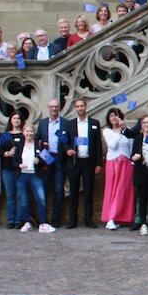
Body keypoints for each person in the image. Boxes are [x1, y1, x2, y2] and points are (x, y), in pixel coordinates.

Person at [36, 99, 73, 227]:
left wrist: (68, 149)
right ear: (48, 108)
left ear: (59, 108)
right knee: (44, 189)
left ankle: (56, 219)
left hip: (59, 159)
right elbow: (37, 140)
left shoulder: (65, 123)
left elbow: (67, 140)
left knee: (58, 189)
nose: (54, 109)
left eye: (56, 107)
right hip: (46, 158)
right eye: (52, 107)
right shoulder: (42, 123)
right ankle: (43, 218)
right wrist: (42, 146)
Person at [68, 97, 103, 229]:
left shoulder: (94, 123)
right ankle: (73, 220)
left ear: (85, 107)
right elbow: (65, 141)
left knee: (88, 192)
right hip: (74, 162)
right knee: (73, 192)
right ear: (75, 108)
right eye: (77, 106)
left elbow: (99, 144)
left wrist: (99, 163)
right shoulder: (70, 124)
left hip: (89, 162)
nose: (80, 108)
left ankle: (88, 219)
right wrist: (68, 150)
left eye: (82, 106)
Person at [101, 107, 137, 230]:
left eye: (116, 115)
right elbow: (112, 145)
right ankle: (110, 218)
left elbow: (131, 145)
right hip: (113, 163)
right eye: (111, 116)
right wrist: (118, 130)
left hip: (125, 163)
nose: (114, 118)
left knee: (123, 191)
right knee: (113, 190)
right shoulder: (108, 131)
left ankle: (120, 217)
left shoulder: (126, 131)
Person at [0, 113, 25, 229]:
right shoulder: (5, 135)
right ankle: (11, 219)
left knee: (20, 195)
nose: (16, 120)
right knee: (10, 195)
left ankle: (19, 220)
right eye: (14, 118)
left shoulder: (25, 134)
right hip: (7, 168)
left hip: (20, 169)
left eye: (18, 118)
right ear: (10, 120)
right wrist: (7, 153)